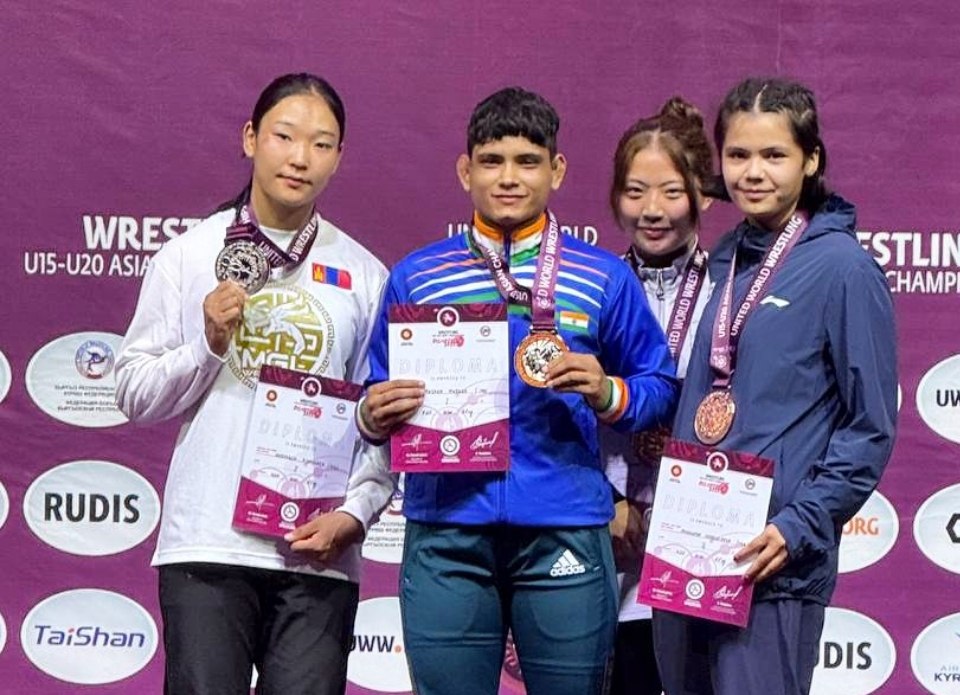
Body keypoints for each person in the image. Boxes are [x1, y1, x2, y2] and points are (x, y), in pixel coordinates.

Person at [356, 86, 679, 695]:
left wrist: (607, 391)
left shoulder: (602, 276)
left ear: (557, 170)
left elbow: (659, 387)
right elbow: (374, 395)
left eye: (528, 161)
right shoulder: (417, 276)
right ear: (465, 171)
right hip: (447, 530)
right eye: (492, 161)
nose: (508, 178)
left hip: (563, 526)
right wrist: (373, 414)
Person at [115, 73, 393, 695]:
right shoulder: (188, 256)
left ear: (339, 158)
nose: (300, 158)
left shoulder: (366, 274)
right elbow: (132, 392)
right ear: (250, 139)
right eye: (284, 136)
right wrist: (208, 344)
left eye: (321, 144)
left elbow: (377, 420)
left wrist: (355, 514)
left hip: (318, 551)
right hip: (209, 546)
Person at [651, 77, 897, 695]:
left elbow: (869, 427)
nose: (753, 172)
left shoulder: (843, 268)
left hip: (771, 564)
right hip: (688, 555)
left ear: (810, 160)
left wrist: (798, 525)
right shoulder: (725, 257)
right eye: (738, 155)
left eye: (774, 155)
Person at [602, 96, 719, 695]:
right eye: (635, 191)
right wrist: (606, 503)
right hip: (608, 534)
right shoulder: (591, 287)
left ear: (703, 194)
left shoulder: (734, 292)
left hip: (703, 539)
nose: (651, 210)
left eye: (671, 192)